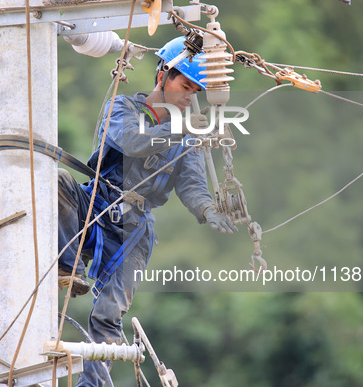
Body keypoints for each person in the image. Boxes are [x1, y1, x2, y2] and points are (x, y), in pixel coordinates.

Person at [57, 36, 237, 387]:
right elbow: (131, 141)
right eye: (185, 86)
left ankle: (90, 385)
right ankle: (69, 268)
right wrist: (179, 129)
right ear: (162, 77)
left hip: (134, 229)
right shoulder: (121, 107)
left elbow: (192, 184)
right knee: (59, 181)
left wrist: (207, 209)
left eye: (195, 90)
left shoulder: (187, 139)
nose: (189, 97)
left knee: (110, 314)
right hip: (95, 200)